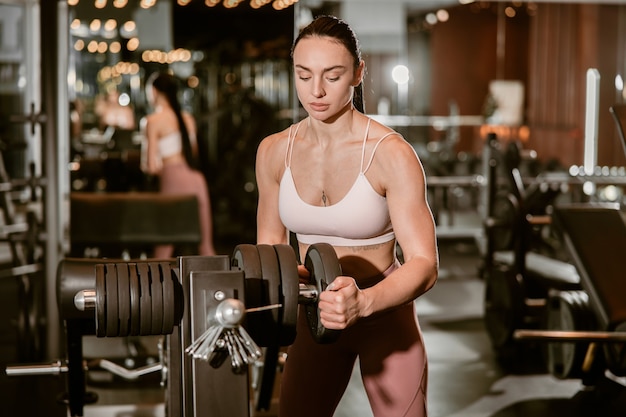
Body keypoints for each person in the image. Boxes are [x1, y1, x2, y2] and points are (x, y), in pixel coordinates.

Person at [255, 15, 439, 417]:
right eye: (304, 76)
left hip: (385, 320)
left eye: (332, 75)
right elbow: (270, 244)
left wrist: (364, 303)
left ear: (358, 73)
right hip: (313, 318)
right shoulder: (274, 151)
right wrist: (290, 278)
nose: (316, 91)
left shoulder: (390, 154)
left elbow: (425, 263)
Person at [142, 72, 217, 257]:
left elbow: (150, 166)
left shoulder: (152, 121)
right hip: (197, 180)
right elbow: (194, 154)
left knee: (164, 248)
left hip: (172, 179)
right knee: (205, 247)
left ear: (154, 91)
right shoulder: (188, 119)